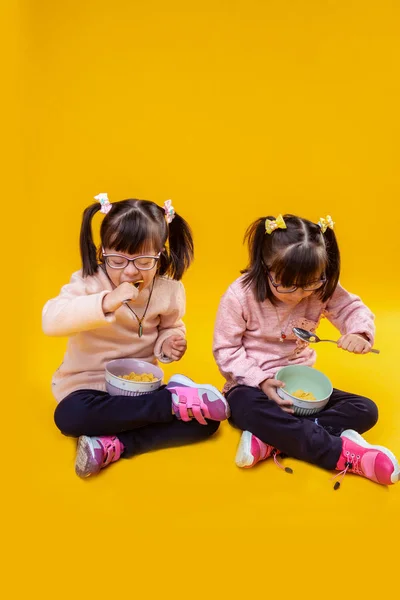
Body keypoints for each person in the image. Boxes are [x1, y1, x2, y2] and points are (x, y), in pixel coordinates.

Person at [43, 193, 229, 478]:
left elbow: (171, 327)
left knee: (206, 424)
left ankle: (115, 444)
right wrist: (106, 301)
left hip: (141, 390)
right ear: (102, 252)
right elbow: (51, 321)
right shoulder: (89, 281)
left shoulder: (169, 289)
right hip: (89, 388)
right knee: (68, 417)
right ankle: (172, 402)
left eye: (143, 260)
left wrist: (170, 343)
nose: (129, 271)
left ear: (160, 255)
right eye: (117, 259)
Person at [213, 213, 398, 488]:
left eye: (311, 283)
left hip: (300, 396)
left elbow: (350, 309)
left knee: (365, 409)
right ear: (265, 268)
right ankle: (343, 455)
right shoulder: (240, 296)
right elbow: (226, 350)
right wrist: (260, 380)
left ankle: (272, 441)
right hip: (253, 387)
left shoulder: (319, 287)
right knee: (241, 407)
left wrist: (358, 332)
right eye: (287, 285)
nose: (300, 294)